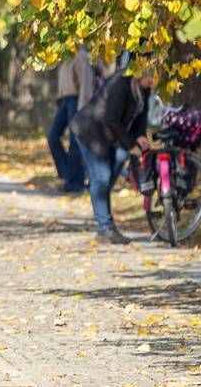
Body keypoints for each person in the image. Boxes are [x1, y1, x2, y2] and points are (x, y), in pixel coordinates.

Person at [72, 59, 154, 244]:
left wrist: (139, 136)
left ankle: (105, 225)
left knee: (106, 179)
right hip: (89, 132)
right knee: (101, 177)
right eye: (150, 76)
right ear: (140, 73)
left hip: (108, 136)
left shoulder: (143, 88)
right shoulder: (121, 83)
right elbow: (111, 119)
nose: (153, 82)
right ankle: (105, 228)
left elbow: (141, 115)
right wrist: (131, 144)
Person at [49, 49, 99, 194]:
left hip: (77, 101)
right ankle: (68, 174)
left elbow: (86, 85)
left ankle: (76, 182)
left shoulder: (81, 58)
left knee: (74, 141)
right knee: (52, 137)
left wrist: (83, 109)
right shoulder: (63, 56)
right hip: (64, 101)